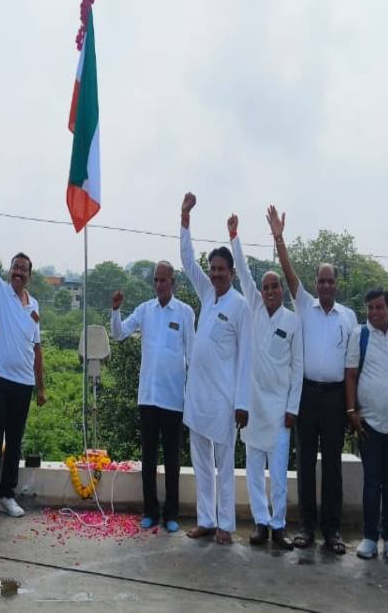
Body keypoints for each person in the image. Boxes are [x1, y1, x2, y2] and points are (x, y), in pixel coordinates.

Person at [271, 207, 358, 553]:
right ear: (315, 283)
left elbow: (352, 367)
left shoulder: (348, 317)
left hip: (335, 399)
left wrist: (351, 407)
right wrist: (279, 238)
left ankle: (332, 532)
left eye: (330, 281)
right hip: (307, 396)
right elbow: (288, 273)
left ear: (337, 284)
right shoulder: (304, 305)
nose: (325, 285)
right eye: (320, 281)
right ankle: (306, 528)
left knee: (332, 466)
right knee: (305, 463)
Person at [179, 193, 252, 546]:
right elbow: (186, 260)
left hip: (225, 400)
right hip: (197, 396)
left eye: (222, 269)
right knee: (201, 464)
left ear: (232, 273)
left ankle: (226, 525)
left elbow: (247, 357)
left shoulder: (241, 306)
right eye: (213, 269)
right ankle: (206, 520)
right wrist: (185, 218)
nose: (216, 274)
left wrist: (242, 403)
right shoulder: (207, 294)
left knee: (225, 467)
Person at [231, 210, 303, 549]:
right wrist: (234, 236)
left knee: (279, 474)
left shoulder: (293, 321)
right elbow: (242, 271)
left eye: (275, 286)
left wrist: (292, 409)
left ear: (281, 290)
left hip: (280, 412)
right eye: (266, 287)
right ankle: (260, 523)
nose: (270, 291)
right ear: (259, 291)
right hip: (253, 408)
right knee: (254, 471)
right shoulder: (255, 309)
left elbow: (298, 368)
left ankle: (279, 526)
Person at [110, 260, 195, 533]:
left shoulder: (185, 312)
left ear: (173, 282)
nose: (159, 285)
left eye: (163, 280)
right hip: (148, 397)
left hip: (174, 398)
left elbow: (192, 355)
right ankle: (150, 511)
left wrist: (193, 394)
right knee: (148, 458)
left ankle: (171, 514)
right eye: (156, 280)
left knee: (172, 460)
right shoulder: (144, 310)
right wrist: (115, 310)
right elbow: (119, 334)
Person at [0, 198, 46, 529]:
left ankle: (6, 495)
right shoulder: (0, 292)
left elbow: (37, 348)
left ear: (29, 276)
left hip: (23, 385)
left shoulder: (35, 306)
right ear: (9, 272)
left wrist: (41, 387)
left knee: (14, 444)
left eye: (23, 269)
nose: (18, 272)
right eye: (15, 267)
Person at [345, 289, 388, 561]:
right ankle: (370, 537)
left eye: (379, 307)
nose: (374, 312)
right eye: (370, 307)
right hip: (369, 425)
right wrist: (352, 411)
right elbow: (350, 375)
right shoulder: (359, 335)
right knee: (372, 483)